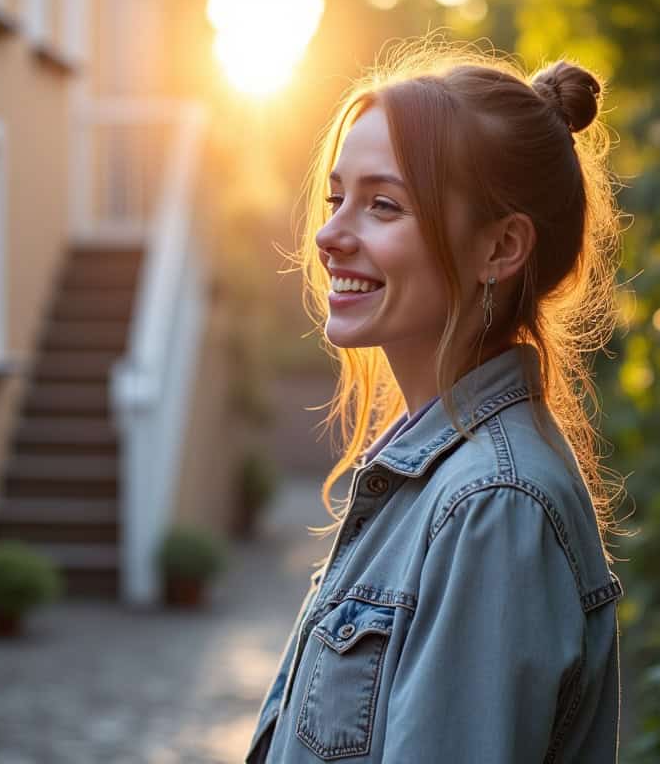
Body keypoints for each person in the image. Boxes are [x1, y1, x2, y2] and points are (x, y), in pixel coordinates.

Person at [247, 41, 626, 763]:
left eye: (382, 205)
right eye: (337, 198)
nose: (329, 235)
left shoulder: (492, 507)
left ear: (500, 248)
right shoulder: (435, 473)